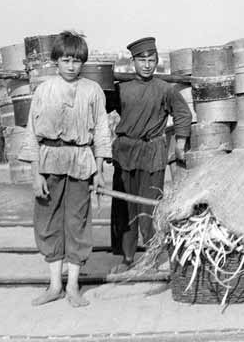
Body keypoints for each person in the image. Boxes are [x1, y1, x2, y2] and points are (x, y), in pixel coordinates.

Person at [18, 31, 111, 307]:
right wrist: (36, 174)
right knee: (48, 222)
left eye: (77, 61)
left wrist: (100, 170)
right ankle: (54, 285)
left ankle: (73, 286)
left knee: (77, 222)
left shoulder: (92, 91)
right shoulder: (45, 90)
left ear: (83, 62)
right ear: (56, 61)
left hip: (81, 161)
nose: (71, 66)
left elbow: (102, 132)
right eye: (66, 60)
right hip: (49, 161)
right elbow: (32, 133)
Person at [109, 37, 192, 274]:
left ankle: (152, 257)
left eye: (151, 59)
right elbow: (97, 106)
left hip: (152, 153)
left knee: (150, 207)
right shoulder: (121, 89)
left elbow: (183, 114)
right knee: (124, 207)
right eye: (141, 59)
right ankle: (126, 258)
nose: (146, 64)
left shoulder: (165, 89)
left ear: (157, 61)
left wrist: (181, 142)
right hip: (124, 153)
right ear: (133, 61)